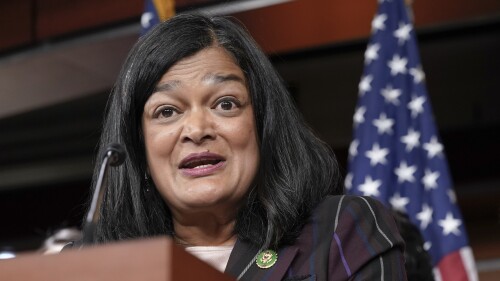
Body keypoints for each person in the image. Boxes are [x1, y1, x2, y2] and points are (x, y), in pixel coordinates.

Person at [79, 13, 407, 280]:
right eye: (167, 111)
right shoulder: (88, 266)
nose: (196, 129)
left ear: (262, 124)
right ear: (139, 149)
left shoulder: (342, 231)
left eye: (225, 104)